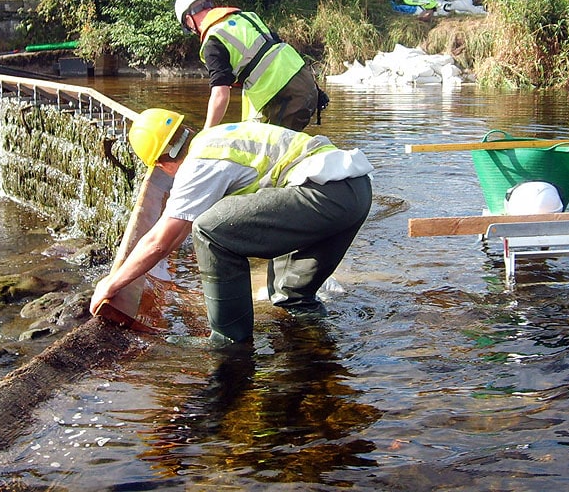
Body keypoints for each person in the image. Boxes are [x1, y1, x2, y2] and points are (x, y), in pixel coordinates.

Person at [89, 107, 373, 347]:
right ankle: (318, 352)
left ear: (163, 165)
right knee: (291, 296)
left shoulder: (197, 165)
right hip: (355, 191)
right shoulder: (214, 137)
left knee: (210, 231)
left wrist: (111, 283)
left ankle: (227, 342)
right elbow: (173, 236)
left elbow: (161, 241)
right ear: (185, 129)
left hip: (322, 196)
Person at [174, 0, 325, 131]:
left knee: (267, 151)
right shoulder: (246, 17)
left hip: (284, 96)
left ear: (188, 20)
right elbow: (275, 49)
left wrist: (206, 133)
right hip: (307, 85)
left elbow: (220, 93)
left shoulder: (213, 41)